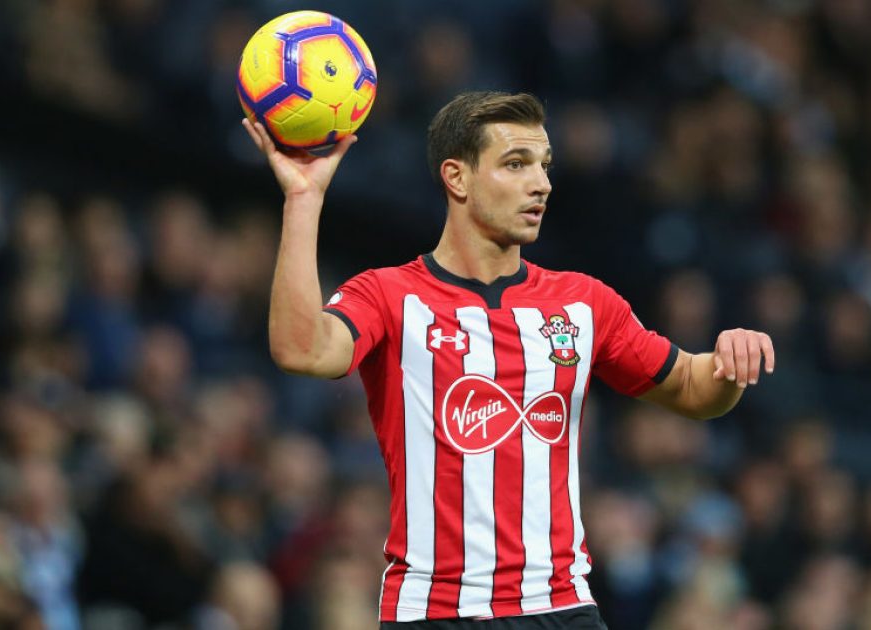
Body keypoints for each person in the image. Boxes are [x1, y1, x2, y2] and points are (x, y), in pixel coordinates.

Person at [245, 91, 776, 629]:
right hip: (437, 613)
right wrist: (303, 199)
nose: (541, 183)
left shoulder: (583, 302)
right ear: (457, 178)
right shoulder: (388, 295)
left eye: (545, 165)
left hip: (562, 609)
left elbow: (692, 388)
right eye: (517, 164)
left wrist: (730, 364)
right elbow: (302, 349)